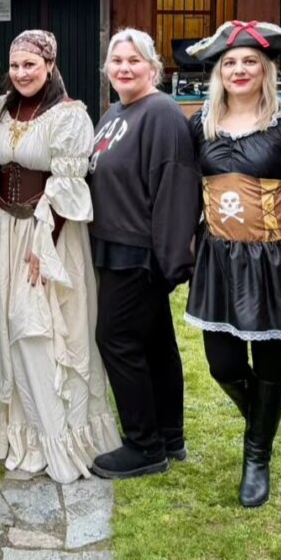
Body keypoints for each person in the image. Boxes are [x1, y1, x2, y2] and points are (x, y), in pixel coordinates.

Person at [0, 29, 121, 483]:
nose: (21, 73)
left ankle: (58, 437)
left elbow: (67, 185)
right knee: (9, 327)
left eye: (31, 65)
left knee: (39, 329)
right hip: (8, 232)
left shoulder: (69, 115)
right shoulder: (0, 110)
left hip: (48, 236)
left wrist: (45, 246)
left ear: (49, 66)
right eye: (15, 65)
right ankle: (18, 431)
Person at [184, 21, 281, 507]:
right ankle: (262, 419)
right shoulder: (201, 123)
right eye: (230, 63)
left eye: (249, 62)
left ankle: (257, 455)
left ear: (266, 69)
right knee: (223, 364)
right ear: (219, 72)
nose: (239, 70)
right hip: (219, 257)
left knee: (271, 362)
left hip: (275, 259)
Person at [88, 28, 199, 479]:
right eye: (117, 60)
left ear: (153, 67)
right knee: (154, 344)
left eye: (134, 60)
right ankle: (169, 435)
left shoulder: (161, 113)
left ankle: (144, 445)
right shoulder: (115, 112)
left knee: (114, 339)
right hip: (113, 245)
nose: (125, 68)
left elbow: (176, 188)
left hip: (139, 251)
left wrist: (167, 262)